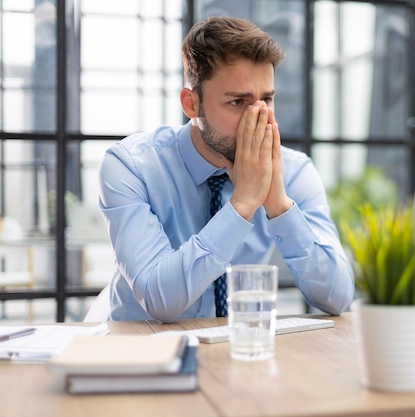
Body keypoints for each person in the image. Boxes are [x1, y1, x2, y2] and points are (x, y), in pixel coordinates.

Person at [97, 16, 355, 322]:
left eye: (267, 100)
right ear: (191, 104)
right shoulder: (130, 166)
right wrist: (242, 204)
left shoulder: (295, 171)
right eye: (237, 102)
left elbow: (338, 299)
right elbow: (159, 300)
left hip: (241, 352)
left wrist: (278, 204)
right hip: (143, 352)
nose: (258, 117)